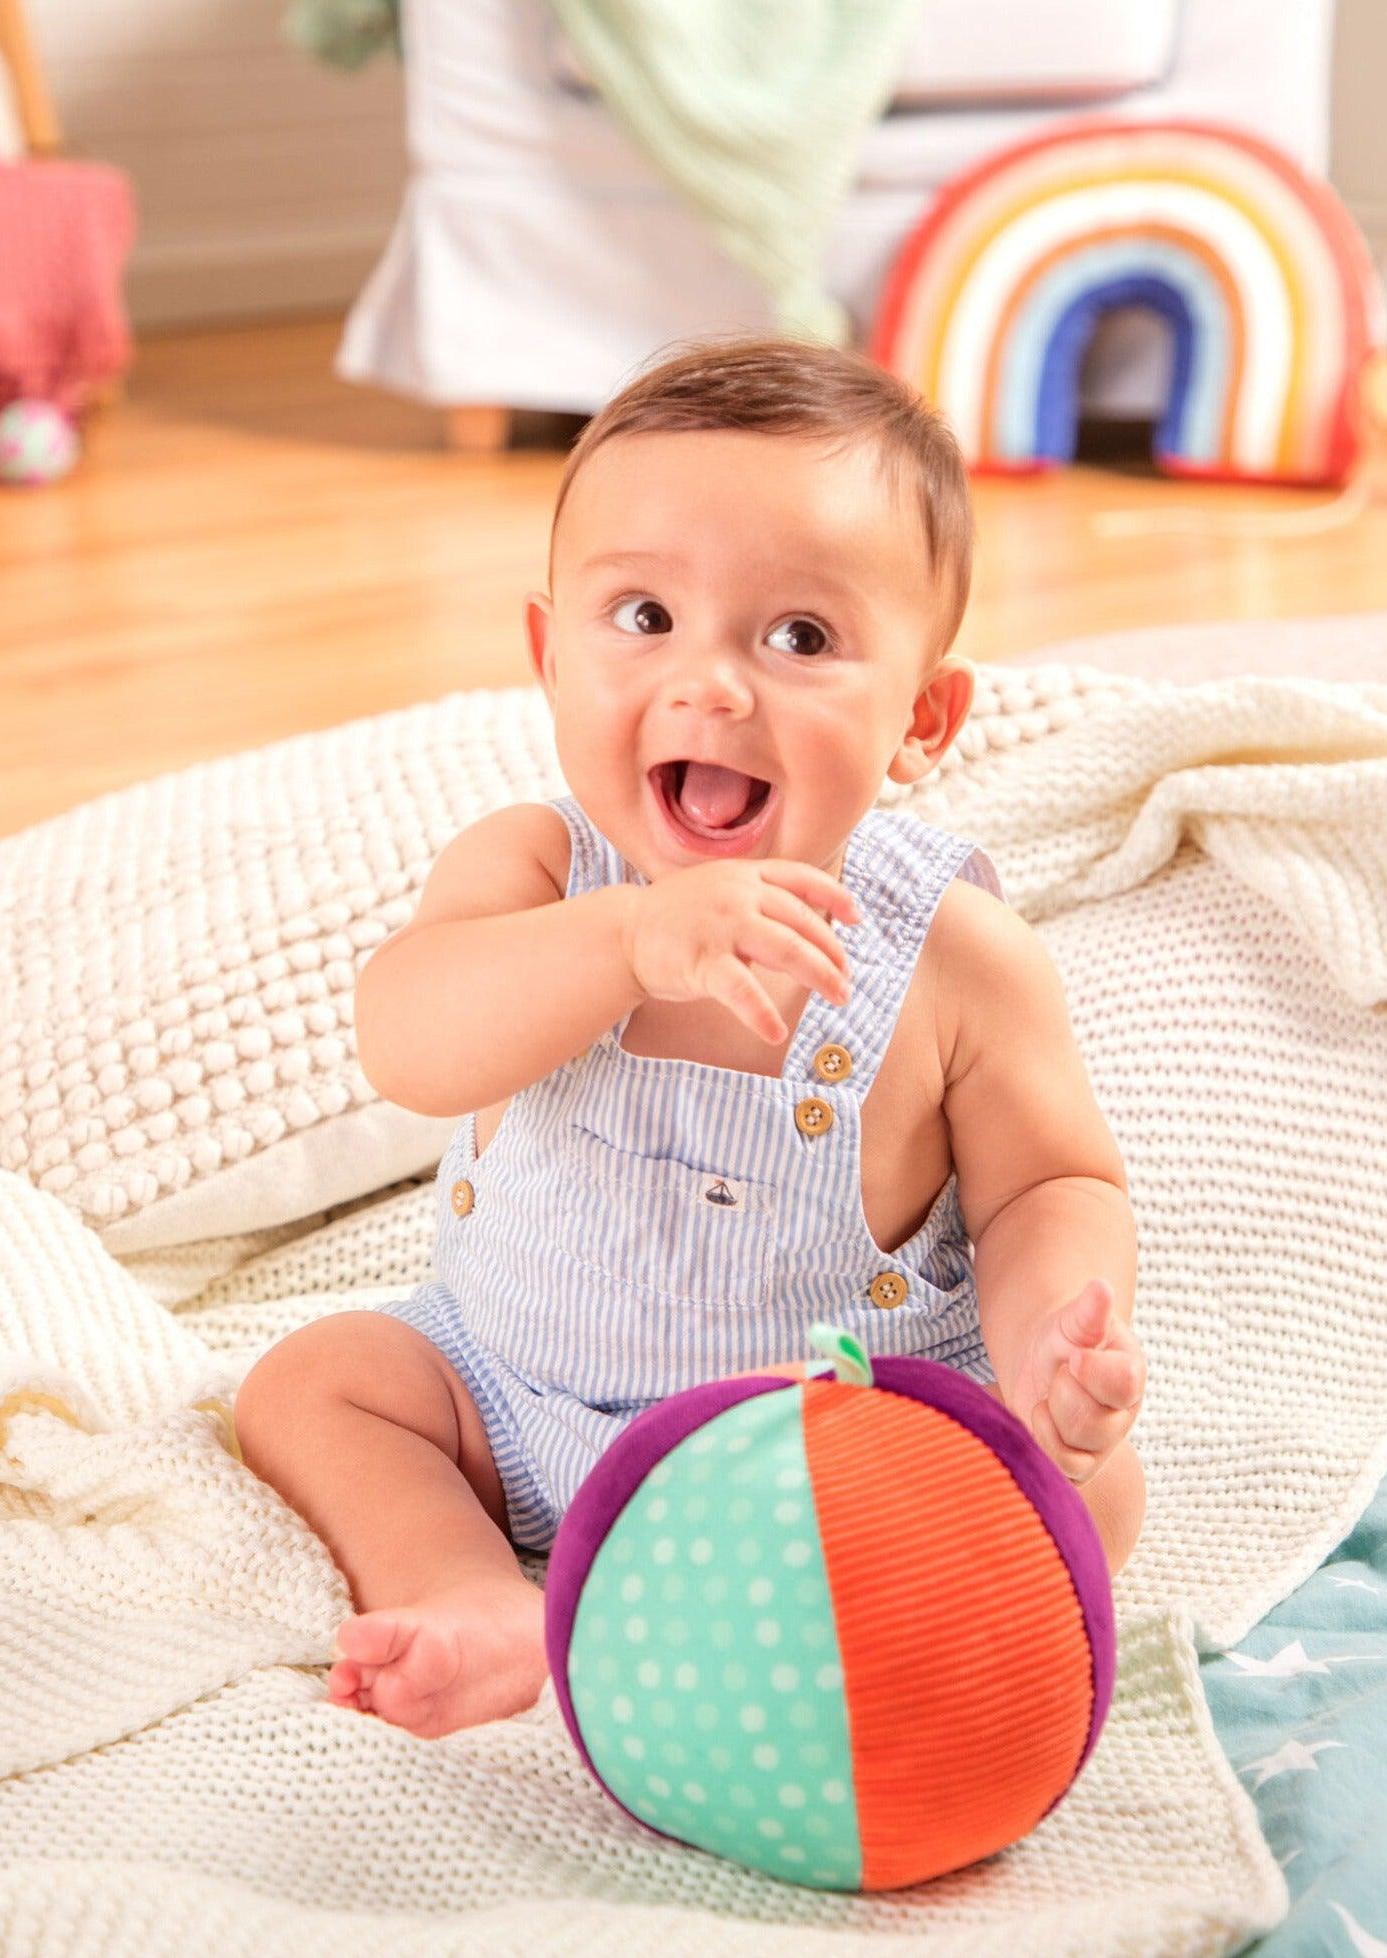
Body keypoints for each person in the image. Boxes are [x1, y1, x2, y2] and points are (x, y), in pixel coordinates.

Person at [234, 335, 1146, 1738]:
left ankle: (789, 1618)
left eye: (797, 638)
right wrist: (623, 943)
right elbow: (410, 1039)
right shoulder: (536, 873)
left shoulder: (951, 960)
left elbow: (1050, 1183)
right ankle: (476, 1591)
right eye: (643, 616)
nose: (710, 684)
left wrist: (1049, 1346)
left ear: (921, 717)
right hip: (515, 1404)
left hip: (825, 1449)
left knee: (1089, 1491)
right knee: (317, 1385)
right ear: (548, 656)